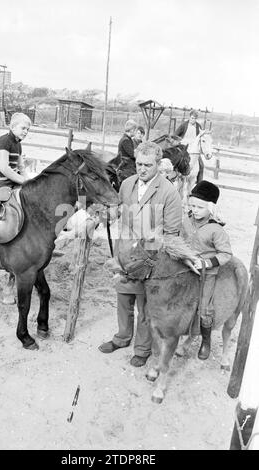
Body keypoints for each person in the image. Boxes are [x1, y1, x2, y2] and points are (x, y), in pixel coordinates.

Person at [99, 141, 183, 367]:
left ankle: (143, 349)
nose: (142, 169)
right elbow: (119, 212)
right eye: (139, 163)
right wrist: (108, 215)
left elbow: (172, 233)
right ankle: (122, 337)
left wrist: (149, 251)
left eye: (147, 164)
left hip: (151, 259)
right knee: (123, 298)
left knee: (145, 307)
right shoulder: (127, 184)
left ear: (158, 164)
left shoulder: (169, 193)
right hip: (125, 254)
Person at [182, 180, 232, 360]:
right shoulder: (186, 221)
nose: (194, 210)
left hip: (206, 274)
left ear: (210, 208)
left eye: (199, 207)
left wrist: (207, 263)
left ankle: (206, 341)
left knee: (204, 307)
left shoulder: (216, 229)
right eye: (192, 205)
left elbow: (226, 254)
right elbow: (179, 241)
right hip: (185, 268)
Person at [0, 112, 32, 190]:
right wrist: (22, 180)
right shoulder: (4, 141)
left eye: (27, 129)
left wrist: (28, 181)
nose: (26, 132)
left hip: (13, 179)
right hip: (2, 181)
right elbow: (4, 168)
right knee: (10, 200)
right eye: (23, 128)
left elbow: (21, 167)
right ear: (12, 127)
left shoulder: (18, 144)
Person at [174, 109, 205, 183]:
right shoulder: (183, 125)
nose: (193, 120)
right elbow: (175, 135)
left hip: (194, 149)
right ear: (189, 117)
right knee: (176, 161)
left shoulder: (198, 126)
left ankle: (199, 182)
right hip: (184, 147)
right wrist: (180, 141)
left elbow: (201, 137)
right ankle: (173, 176)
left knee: (201, 165)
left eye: (195, 118)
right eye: (192, 118)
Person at [115, 119, 138, 183]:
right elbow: (132, 154)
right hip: (126, 166)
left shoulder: (127, 139)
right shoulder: (126, 140)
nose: (136, 132)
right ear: (132, 130)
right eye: (135, 130)